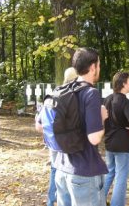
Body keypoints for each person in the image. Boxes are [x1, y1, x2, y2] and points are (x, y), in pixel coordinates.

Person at [54, 47, 109, 206]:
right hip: (84, 173)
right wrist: (102, 118)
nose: (99, 68)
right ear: (92, 67)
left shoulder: (64, 90)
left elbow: (40, 126)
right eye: (98, 65)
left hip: (62, 168)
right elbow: (94, 138)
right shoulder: (91, 93)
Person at [35, 67, 78, 206]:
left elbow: (39, 125)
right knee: (68, 172)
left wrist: (51, 134)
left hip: (52, 142)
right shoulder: (72, 96)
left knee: (55, 170)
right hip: (65, 142)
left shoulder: (53, 94)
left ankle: (50, 201)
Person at [103, 71, 129, 206]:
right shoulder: (126, 102)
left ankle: (98, 201)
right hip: (124, 146)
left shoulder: (107, 99)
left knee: (109, 173)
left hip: (109, 144)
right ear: (124, 84)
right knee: (121, 178)